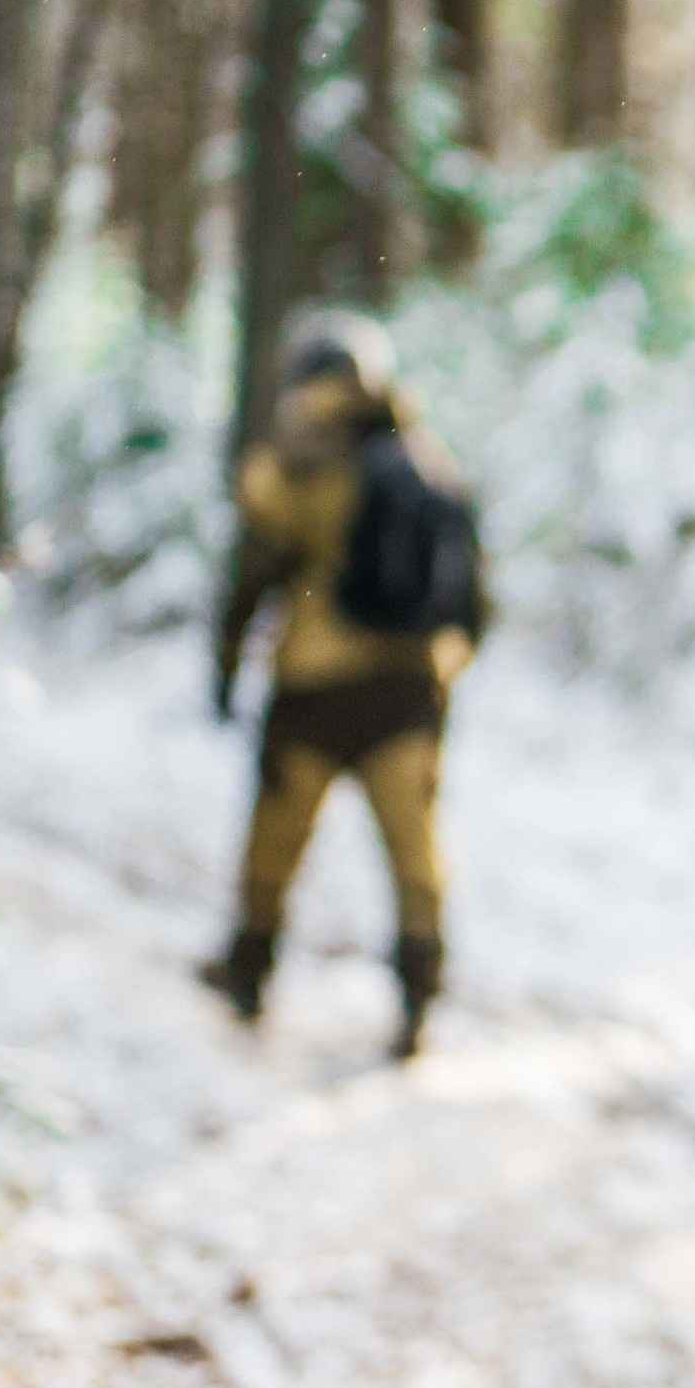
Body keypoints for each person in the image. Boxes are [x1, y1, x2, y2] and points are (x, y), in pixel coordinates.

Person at [203, 311, 486, 1059]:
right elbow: (471, 589)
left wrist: (227, 661)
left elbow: (255, 568)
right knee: (414, 852)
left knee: (275, 841)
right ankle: (419, 993)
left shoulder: (301, 461)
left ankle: (248, 972)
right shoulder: (428, 459)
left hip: (314, 689)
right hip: (411, 691)